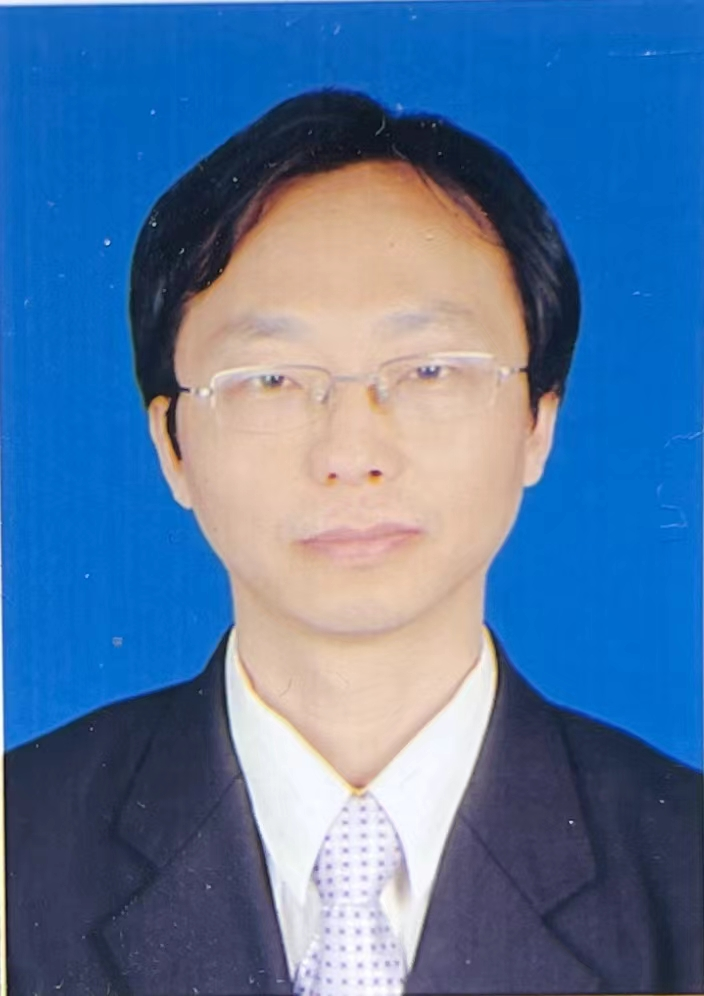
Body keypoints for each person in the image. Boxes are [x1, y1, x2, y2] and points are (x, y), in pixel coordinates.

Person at [5, 89, 702, 996]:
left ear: (538, 422)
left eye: (429, 370)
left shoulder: (682, 871)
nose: (351, 453)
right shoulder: (20, 850)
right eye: (271, 379)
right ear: (172, 445)